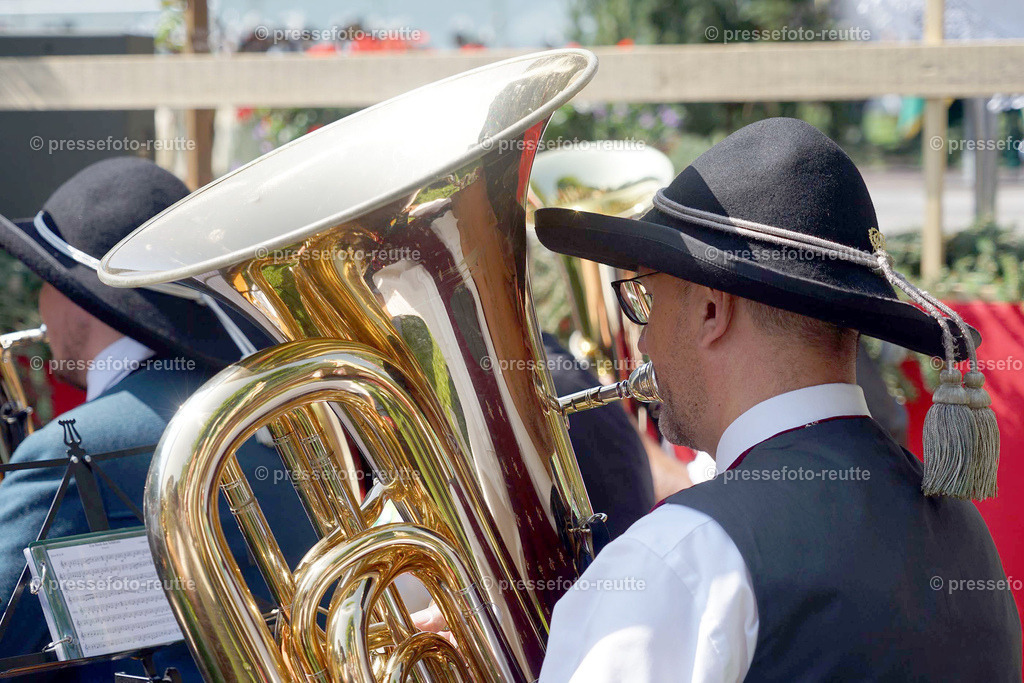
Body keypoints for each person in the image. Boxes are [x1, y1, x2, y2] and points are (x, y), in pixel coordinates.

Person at [531, 118, 1021, 680]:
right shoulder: (968, 537)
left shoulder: (679, 559)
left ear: (712, 311)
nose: (642, 339)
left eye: (645, 297)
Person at [0, 158, 317, 681]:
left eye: (44, 279)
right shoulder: (274, 418)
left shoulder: (68, 454)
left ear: (78, 293)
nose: (41, 306)